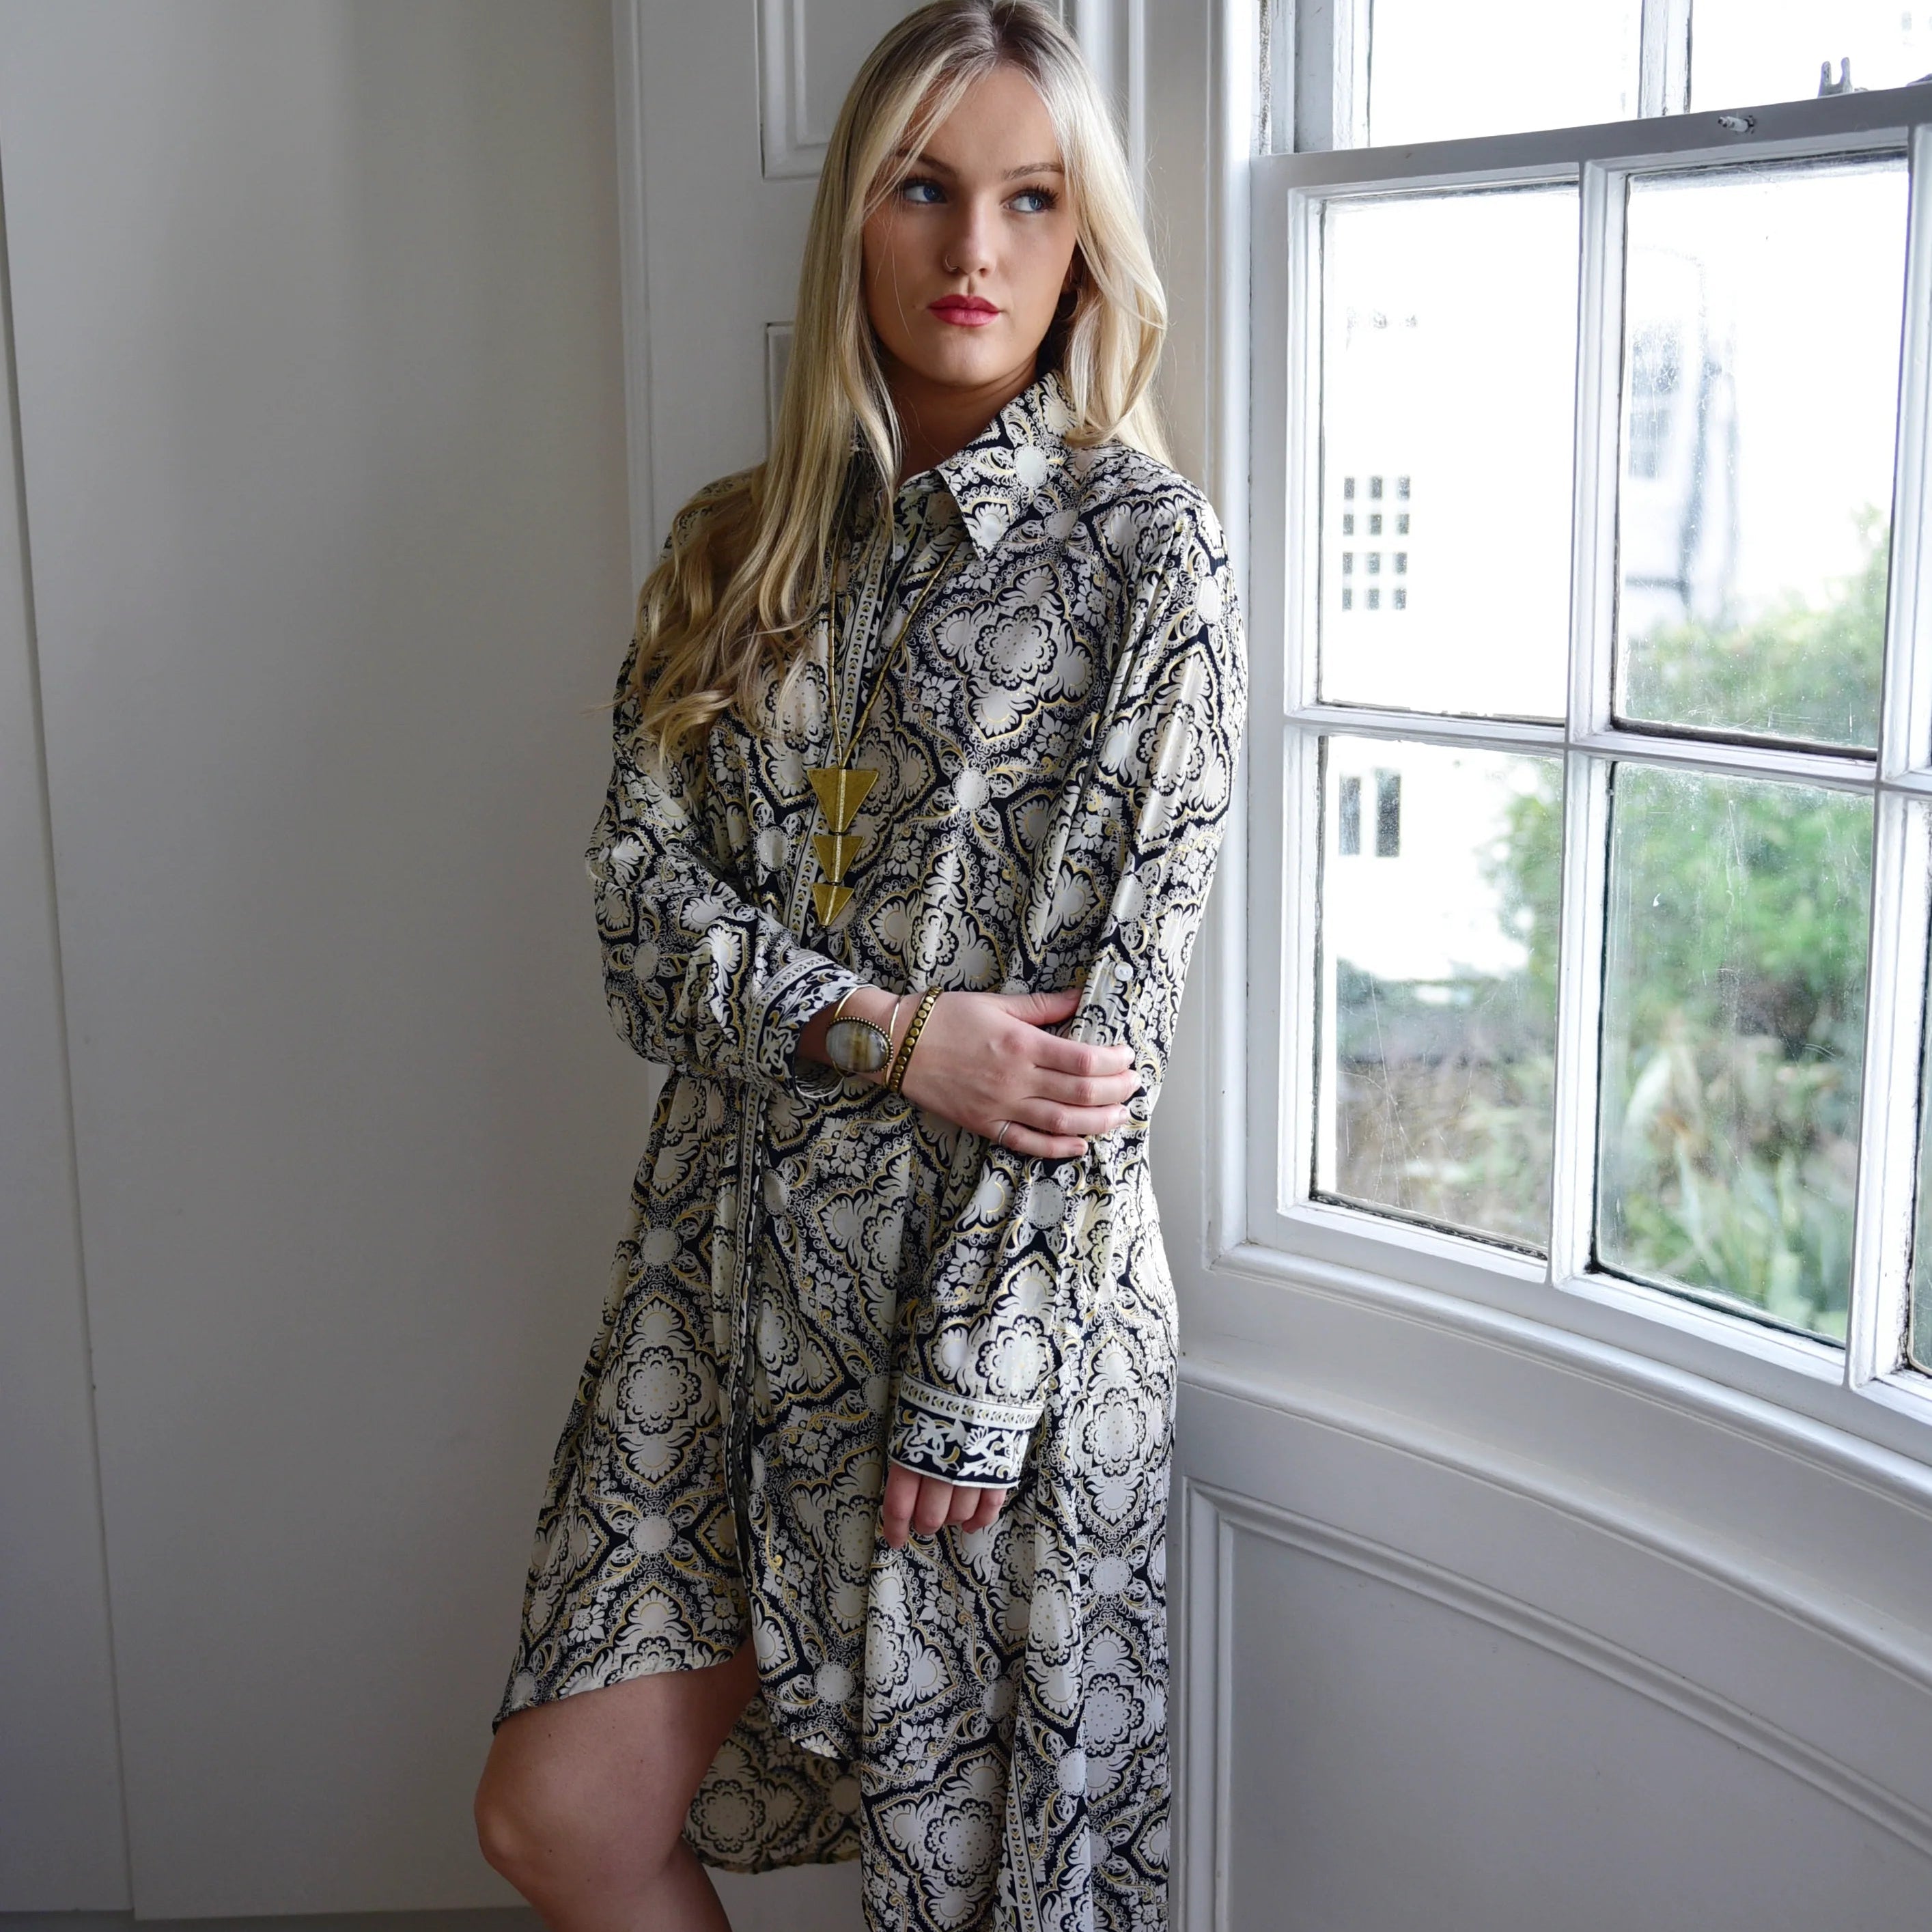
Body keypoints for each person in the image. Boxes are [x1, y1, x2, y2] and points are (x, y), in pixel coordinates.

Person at [471, 3, 1246, 1927]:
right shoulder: (736, 548)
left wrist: (980, 1385)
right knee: (559, 1815)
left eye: (1026, 198)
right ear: (855, 221)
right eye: (923, 189)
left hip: (990, 1311)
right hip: (717, 1290)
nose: (972, 249)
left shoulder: (1152, 563)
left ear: (1083, 241)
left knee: (979, 1891)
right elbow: (640, 934)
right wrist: (900, 1033)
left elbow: (1101, 1041)